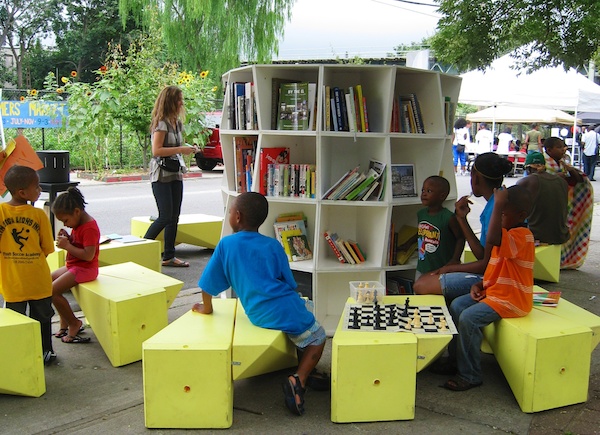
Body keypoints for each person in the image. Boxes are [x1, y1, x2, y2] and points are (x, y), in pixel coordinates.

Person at [192, 192, 326, 416]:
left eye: (230, 211)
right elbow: (290, 283)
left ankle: (305, 370)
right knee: (318, 336)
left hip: (256, 312)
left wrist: (207, 307)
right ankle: (299, 379)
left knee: (306, 315)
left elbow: (207, 283)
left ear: (237, 217)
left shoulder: (226, 245)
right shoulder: (273, 246)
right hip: (279, 307)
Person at [440, 185, 534, 391]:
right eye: (497, 214)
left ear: (521, 215)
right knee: (456, 306)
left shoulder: (522, 236)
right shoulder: (508, 233)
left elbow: (492, 238)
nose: (498, 218)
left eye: (503, 214)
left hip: (511, 300)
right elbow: (496, 268)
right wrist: (479, 284)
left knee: (469, 318)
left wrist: (498, 202)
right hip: (495, 293)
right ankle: (456, 360)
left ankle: (470, 374)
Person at [413, 153, 513, 302]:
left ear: (475, 178)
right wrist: (462, 218)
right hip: (492, 272)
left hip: (496, 277)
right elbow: (482, 254)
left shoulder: (495, 208)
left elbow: (485, 264)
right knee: (425, 280)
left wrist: (450, 268)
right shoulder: (493, 204)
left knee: (421, 284)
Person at [0, 165, 56, 364]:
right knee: (43, 318)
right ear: (22, 192)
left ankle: (20, 357)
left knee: (17, 322)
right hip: (38, 281)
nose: (40, 190)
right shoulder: (39, 215)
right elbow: (48, 248)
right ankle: (45, 352)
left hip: (11, 282)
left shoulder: (1, 212)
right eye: (37, 186)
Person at [144, 85, 199, 267]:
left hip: (175, 173)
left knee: (174, 216)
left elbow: (174, 147)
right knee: (165, 216)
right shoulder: (162, 123)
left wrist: (188, 149)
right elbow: (157, 150)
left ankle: (168, 256)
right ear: (170, 101)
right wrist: (181, 149)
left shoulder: (177, 122)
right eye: (178, 99)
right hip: (161, 174)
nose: (181, 102)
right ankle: (142, 247)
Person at [51, 187, 99, 343]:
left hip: (86, 268)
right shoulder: (78, 223)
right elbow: (77, 244)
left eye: (66, 220)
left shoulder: (89, 227)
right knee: (48, 281)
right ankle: (65, 320)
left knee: (51, 291)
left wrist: (67, 246)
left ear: (77, 212)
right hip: (74, 266)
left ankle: (74, 323)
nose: (66, 224)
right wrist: (68, 238)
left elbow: (88, 255)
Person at [543, 137, 593, 269]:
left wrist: (569, 169)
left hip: (564, 204)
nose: (563, 149)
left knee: (563, 232)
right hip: (549, 207)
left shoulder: (562, 164)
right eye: (559, 147)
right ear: (549, 150)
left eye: (564, 146)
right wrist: (559, 177)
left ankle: (561, 260)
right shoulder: (543, 163)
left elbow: (578, 181)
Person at [416, 176, 465, 280]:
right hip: (422, 266)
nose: (424, 194)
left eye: (429, 191)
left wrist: (455, 259)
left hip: (442, 268)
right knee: (419, 293)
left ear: (442, 196)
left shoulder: (448, 217)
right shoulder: (421, 214)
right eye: (423, 190)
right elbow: (421, 234)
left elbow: (460, 238)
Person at [517, 152, 569, 245]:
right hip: (561, 235)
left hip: (538, 236)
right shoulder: (562, 181)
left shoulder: (526, 181)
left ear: (528, 168)